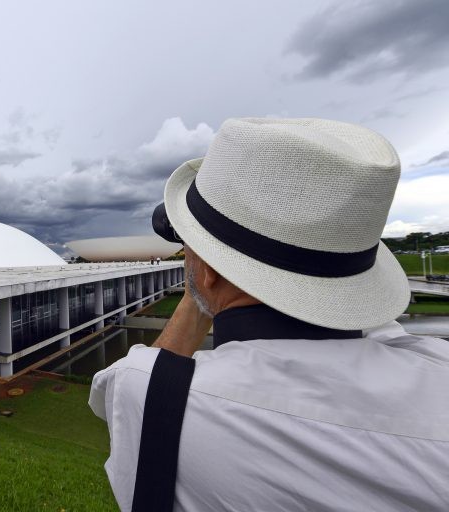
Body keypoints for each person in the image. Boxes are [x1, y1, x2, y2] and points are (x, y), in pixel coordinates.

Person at [89, 118, 449, 511]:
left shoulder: (156, 394)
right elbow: (378, 331)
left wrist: (204, 286)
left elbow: (113, 404)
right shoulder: (435, 367)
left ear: (208, 271)